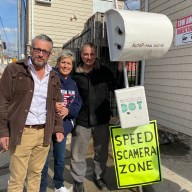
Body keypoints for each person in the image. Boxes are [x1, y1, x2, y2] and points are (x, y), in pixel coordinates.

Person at [0, 34, 64, 192]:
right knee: (17, 179)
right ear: (31, 49)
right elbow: (2, 101)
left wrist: (58, 128)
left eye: (45, 51)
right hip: (22, 132)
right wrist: (3, 132)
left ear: (50, 54)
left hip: (44, 133)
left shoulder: (54, 76)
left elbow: (57, 106)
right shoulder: (14, 70)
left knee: (36, 175)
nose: (40, 54)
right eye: (37, 49)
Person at [70, 42, 123, 192]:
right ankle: (78, 181)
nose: (89, 57)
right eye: (86, 54)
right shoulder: (75, 73)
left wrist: (119, 70)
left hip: (102, 119)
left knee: (101, 152)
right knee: (77, 153)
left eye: (92, 54)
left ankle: (99, 177)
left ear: (96, 55)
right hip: (82, 120)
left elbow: (116, 87)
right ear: (81, 55)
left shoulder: (104, 71)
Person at [40, 49, 82, 192]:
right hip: (47, 124)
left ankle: (58, 184)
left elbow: (78, 103)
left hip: (63, 126)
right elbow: (39, 98)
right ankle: (42, 187)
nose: (65, 66)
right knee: (44, 160)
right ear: (58, 63)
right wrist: (52, 105)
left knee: (60, 158)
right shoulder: (50, 77)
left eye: (69, 63)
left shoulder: (73, 83)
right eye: (63, 62)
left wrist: (68, 110)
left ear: (72, 65)